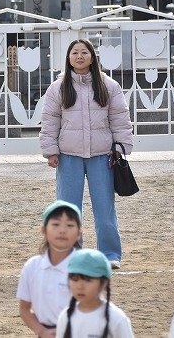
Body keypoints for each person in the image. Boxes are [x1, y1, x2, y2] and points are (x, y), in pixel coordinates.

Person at [39, 38, 133, 269]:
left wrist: (120, 147)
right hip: (68, 155)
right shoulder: (58, 88)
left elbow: (120, 118)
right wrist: (50, 150)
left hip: (102, 156)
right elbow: (50, 120)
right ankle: (69, 253)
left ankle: (110, 254)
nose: (79, 56)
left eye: (84, 52)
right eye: (75, 53)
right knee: (68, 208)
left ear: (92, 56)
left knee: (105, 208)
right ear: (68, 58)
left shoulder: (109, 85)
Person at [17, 200, 82, 338]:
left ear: (79, 232)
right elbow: (24, 308)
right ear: (44, 230)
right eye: (56, 224)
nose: (62, 230)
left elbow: (95, 310)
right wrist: (41, 331)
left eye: (70, 225)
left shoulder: (85, 267)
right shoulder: (32, 267)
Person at [56, 248, 134, 338]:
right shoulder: (65, 317)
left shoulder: (116, 319)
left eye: (88, 280)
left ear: (104, 283)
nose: (80, 286)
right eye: (75, 279)